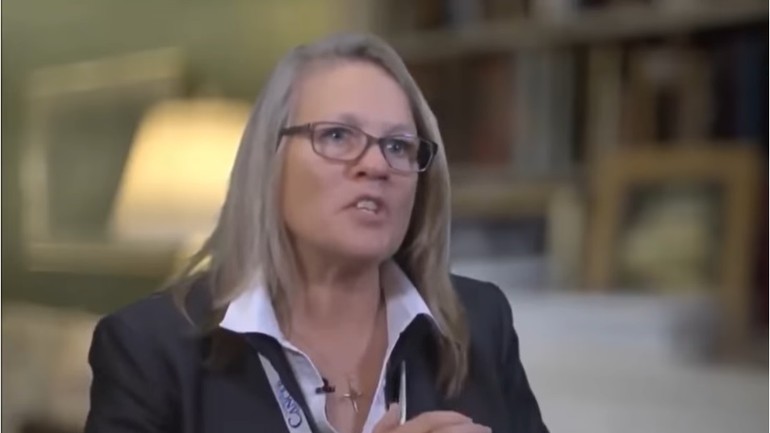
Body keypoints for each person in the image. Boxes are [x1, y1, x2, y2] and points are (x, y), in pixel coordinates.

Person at [84, 33, 548, 433]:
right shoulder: (148, 346)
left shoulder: (480, 322)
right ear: (270, 161)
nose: (376, 164)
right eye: (338, 136)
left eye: (398, 145)